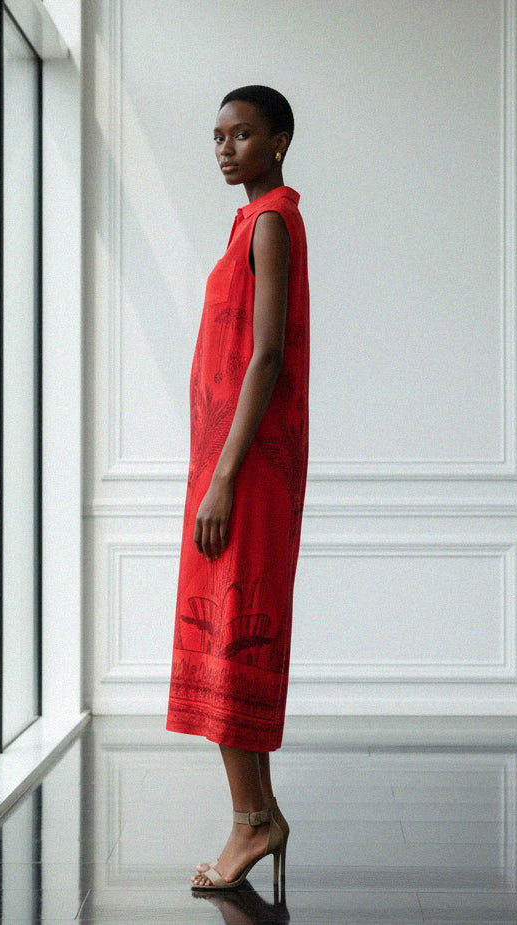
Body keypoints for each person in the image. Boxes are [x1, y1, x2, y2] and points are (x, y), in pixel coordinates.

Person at [165, 85, 309, 891]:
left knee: (235, 638)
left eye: (243, 134)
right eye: (217, 135)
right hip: (227, 465)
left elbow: (267, 360)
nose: (225, 148)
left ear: (278, 141)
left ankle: (253, 823)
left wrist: (222, 480)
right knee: (227, 636)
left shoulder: (272, 222)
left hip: (243, 473)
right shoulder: (252, 220)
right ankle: (260, 815)